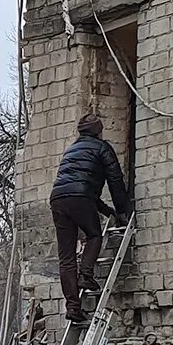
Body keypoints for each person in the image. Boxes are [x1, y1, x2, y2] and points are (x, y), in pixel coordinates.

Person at [50, 112, 129, 325]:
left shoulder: (71, 150)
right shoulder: (102, 148)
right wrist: (123, 212)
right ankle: (86, 274)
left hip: (58, 199)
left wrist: (106, 211)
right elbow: (115, 180)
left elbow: (79, 186)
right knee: (94, 235)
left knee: (66, 257)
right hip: (80, 197)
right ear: (99, 131)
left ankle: (73, 307)